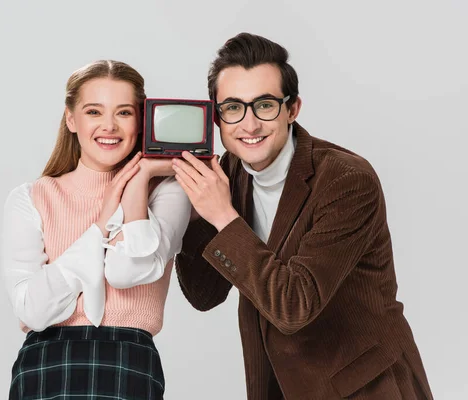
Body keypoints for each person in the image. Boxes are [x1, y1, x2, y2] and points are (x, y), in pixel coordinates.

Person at [173, 33, 433, 399]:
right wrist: (191, 209)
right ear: (217, 118)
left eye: (264, 105)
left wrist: (223, 216)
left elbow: (295, 305)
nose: (249, 125)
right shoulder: (228, 173)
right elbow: (205, 295)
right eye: (233, 108)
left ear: (292, 109)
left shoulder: (347, 181)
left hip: (365, 388)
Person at [2, 60, 190, 399]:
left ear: (143, 120)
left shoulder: (167, 192)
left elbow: (126, 271)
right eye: (93, 112)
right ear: (71, 119)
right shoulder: (31, 197)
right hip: (45, 364)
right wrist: (101, 225)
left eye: (124, 113)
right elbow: (33, 310)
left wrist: (137, 182)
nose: (109, 126)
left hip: (129, 364)